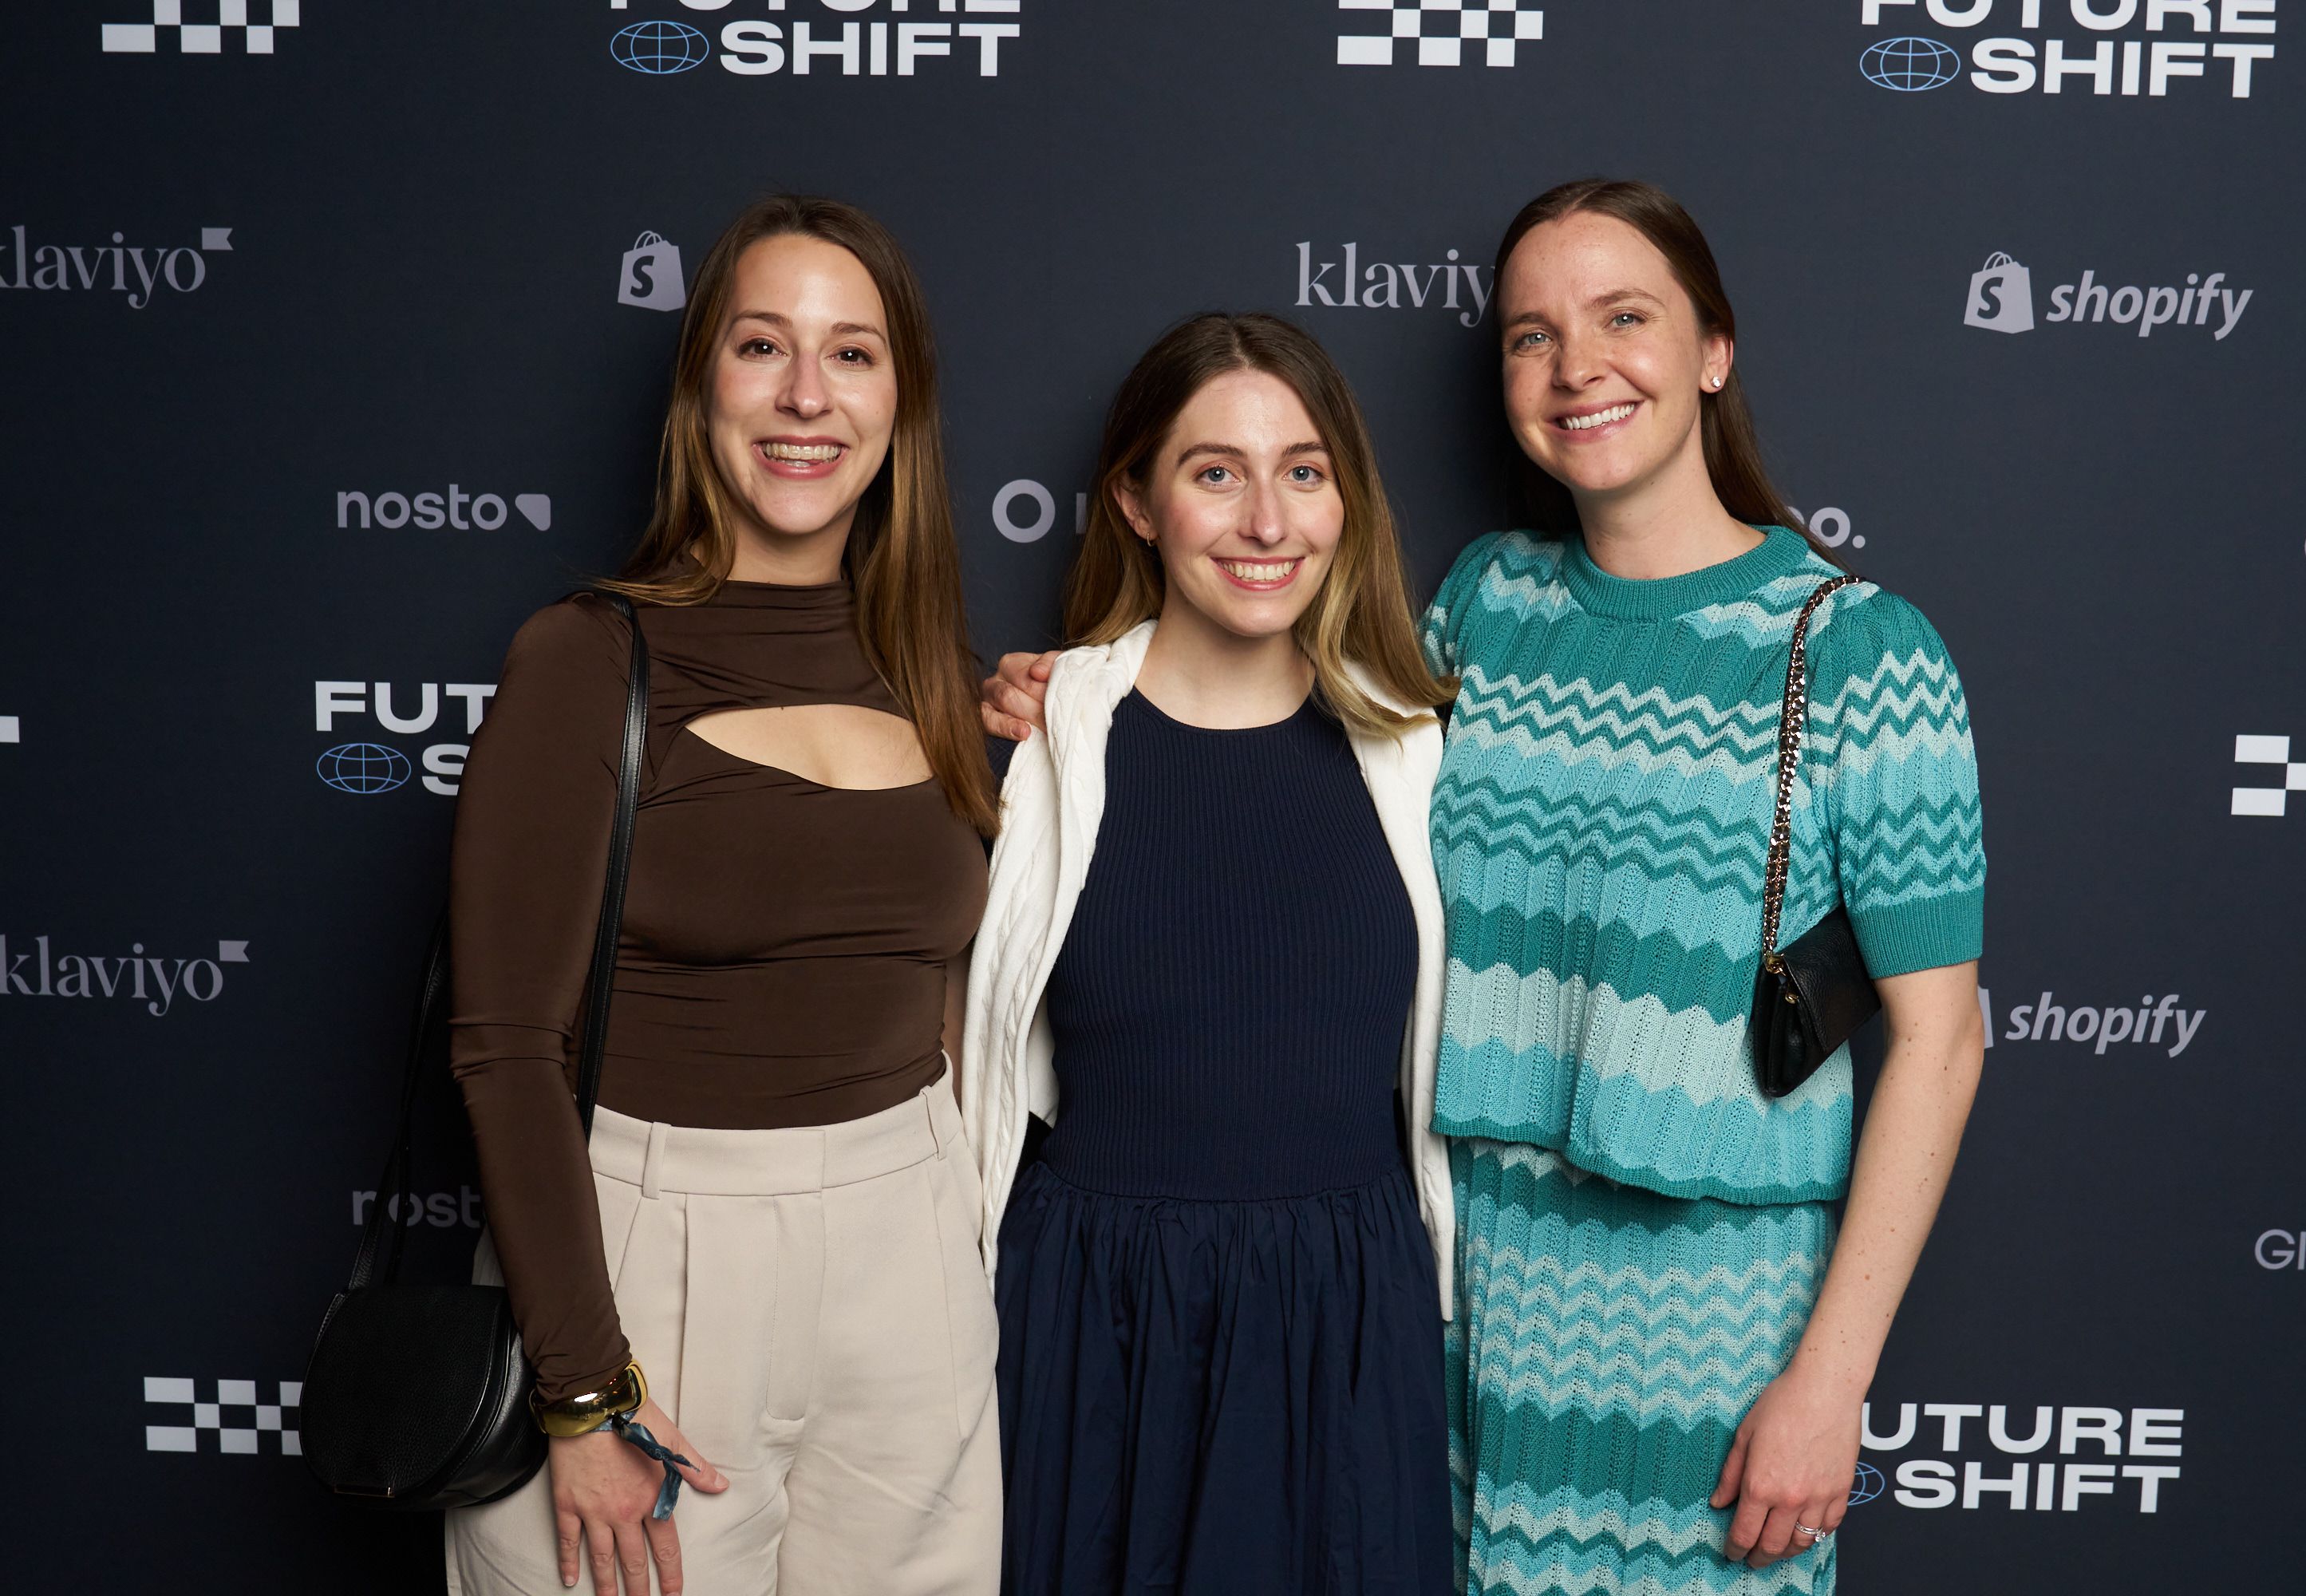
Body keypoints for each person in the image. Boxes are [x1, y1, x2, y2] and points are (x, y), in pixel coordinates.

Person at [981, 180, 1988, 1596]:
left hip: (1708, 1336)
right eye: (1532, 335)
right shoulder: (1484, 609)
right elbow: (1268, 723)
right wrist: (1076, 697)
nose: (1578, 367)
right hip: (1458, 1318)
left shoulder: (1866, 653)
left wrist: (1832, 1376)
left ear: (1714, 351)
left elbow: (1943, 1038)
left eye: (1624, 318)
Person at [444, 194, 1001, 1596]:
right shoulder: (588, 658)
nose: (807, 395)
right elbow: (506, 1048)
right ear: (702, 386)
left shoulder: (937, 670)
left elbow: (946, 985)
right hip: (649, 1260)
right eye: (763, 346)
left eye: (853, 353)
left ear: (902, 404)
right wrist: (581, 1390)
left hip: (910, 1254)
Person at [959, 312, 1456, 1595]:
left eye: (1304, 471)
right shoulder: (1040, 745)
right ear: (1136, 501)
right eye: (1216, 472)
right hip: (1093, 1318)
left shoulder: (1416, 751)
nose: (1267, 521)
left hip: (1346, 1320)